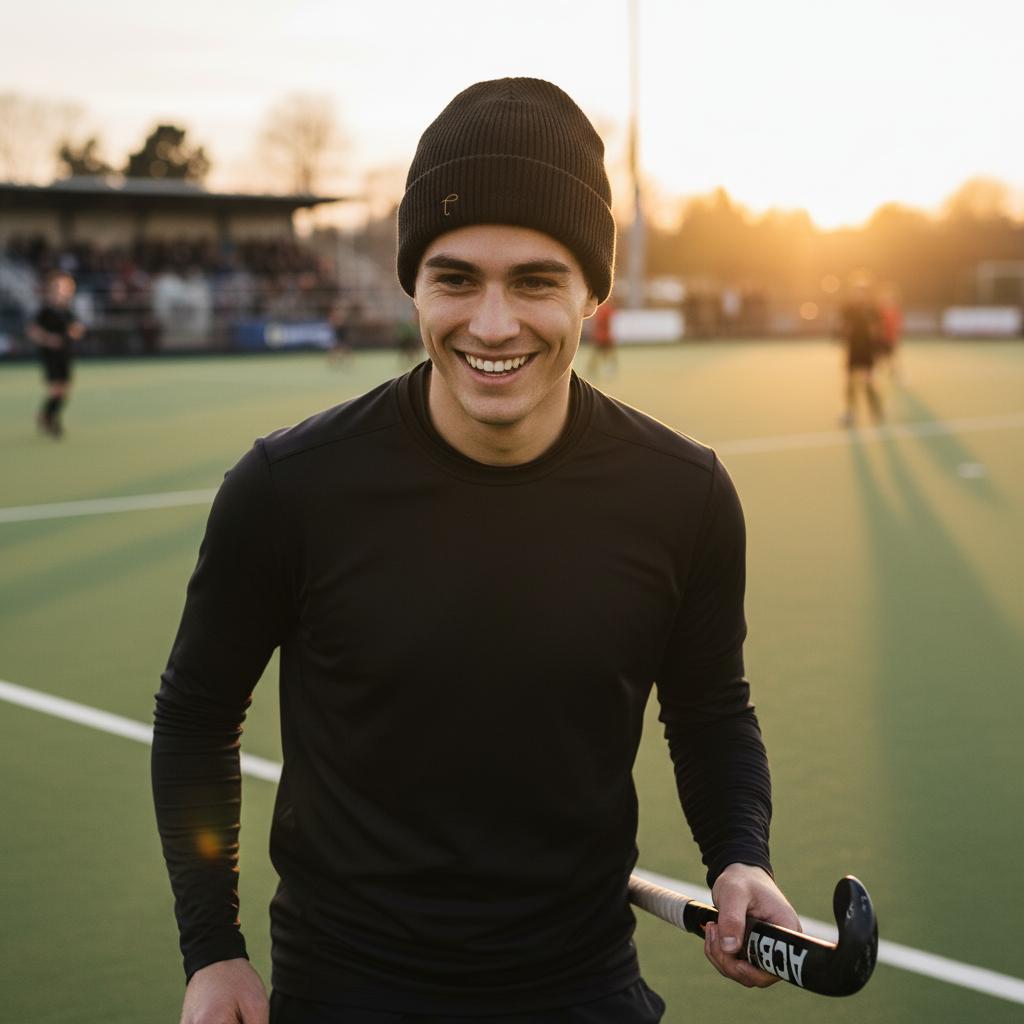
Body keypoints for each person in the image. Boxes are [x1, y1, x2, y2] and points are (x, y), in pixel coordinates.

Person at [153, 77, 799, 1024]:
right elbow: (197, 718)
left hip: (582, 986)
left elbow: (708, 710)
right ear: (414, 282)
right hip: (348, 989)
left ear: (590, 296)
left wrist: (740, 854)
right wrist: (213, 951)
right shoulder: (288, 488)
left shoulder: (684, 495)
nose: (492, 325)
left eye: (536, 280)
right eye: (456, 278)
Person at [28, 270, 84, 437]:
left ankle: (45, 416)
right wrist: (48, 339)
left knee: (65, 388)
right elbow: (33, 331)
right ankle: (50, 419)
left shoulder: (67, 310)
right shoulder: (45, 310)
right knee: (56, 389)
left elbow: (75, 328)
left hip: (65, 352)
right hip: (50, 353)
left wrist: (76, 331)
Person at [837, 280, 883, 426]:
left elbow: (875, 330)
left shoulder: (872, 309)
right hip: (853, 349)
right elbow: (845, 327)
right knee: (850, 381)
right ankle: (850, 412)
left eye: (862, 291)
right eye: (857, 291)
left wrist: (876, 350)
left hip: (867, 350)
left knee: (868, 381)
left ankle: (876, 410)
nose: (859, 294)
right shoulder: (848, 308)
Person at [585, 292, 617, 378]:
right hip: (604, 336)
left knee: (598, 355)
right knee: (606, 354)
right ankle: (609, 370)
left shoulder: (600, 309)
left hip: (601, 336)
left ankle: (593, 371)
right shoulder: (607, 309)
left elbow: (596, 323)